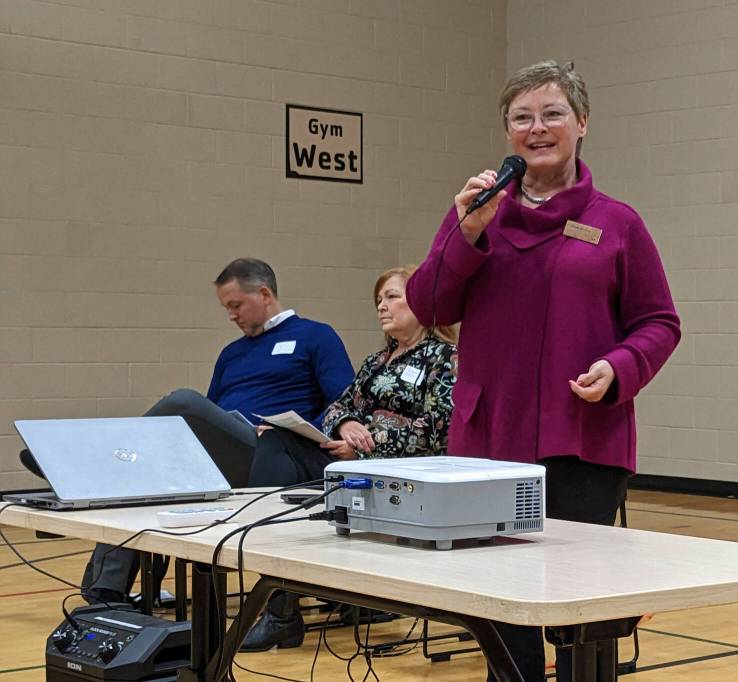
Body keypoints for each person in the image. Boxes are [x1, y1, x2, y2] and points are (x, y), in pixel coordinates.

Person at [405, 60, 681, 681]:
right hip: (488, 438)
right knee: (501, 599)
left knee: (579, 605)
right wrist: (464, 234)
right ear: (507, 133)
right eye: (521, 118)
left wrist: (619, 366)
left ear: (582, 123)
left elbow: (660, 322)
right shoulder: (477, 213)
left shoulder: (618, 223)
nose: (537, 128)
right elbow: (427, 306)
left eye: (552, 113)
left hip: (581, 438)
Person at [73, 257, 356, 605]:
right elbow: (209, 414)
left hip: (273, 449)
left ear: (264, 293)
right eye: (226, 308)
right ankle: (105, 589)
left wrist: (296, 428)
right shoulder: (231, 353)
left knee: (183, 402)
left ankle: (94, 463)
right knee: (139, 476)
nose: (232, 316)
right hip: (227, 447)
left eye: (236, 305)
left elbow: (344, 402)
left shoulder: (315, 336)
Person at [239, 264, 458, 652]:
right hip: (351, 464)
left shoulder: (446, 358)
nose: (382, 307)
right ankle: (280, 601)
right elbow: (338, 406)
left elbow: (438, 427)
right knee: (275, 443)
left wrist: (367, 441)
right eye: (378, 300)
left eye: (392, 296)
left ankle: (282, 612)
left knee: (290, 477)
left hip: (403, 471)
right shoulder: (376, 362)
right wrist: (346, 426)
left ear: (425, 300)